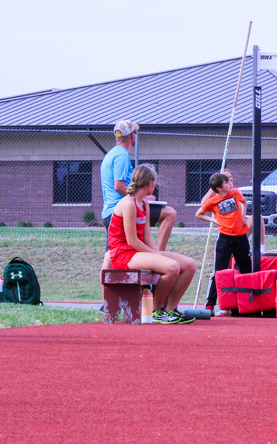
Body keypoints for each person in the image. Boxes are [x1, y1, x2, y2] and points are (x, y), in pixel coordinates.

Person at [107, 164, 197, 324]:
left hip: (138, 251)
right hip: (124, 254)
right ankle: (156, 311)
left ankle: (171, 309)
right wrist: (156, 255)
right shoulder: (128, 204)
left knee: (189, 265)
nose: (154, 186)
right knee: (172, 267)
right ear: (149, 184)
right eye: (154, 182)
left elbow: (147, 235)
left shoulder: (144, 203)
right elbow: (132, 240)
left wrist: (158, 253)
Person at [100, 120, 177, 252]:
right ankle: (159, 256)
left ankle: (154, 257)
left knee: (113, 256)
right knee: (170, 213)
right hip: (120, 212)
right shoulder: (121, 155)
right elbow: (118, 186)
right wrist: (141, 200)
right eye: (135, 133)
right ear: (131, 136)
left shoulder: (112, 154)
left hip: (109, 212)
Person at [195, 171, 265, 314]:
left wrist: (244, 215)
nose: (230, 183)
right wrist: (213, 220)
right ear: (220, 188)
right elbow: (199, 213)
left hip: (240, 238)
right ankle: (210, 305)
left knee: (246, 270)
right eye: (227, 182)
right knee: (219, 272)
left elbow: (244, 202)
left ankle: (248, 305)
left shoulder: (235, 193)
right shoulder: (213, 201)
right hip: (225, 240)